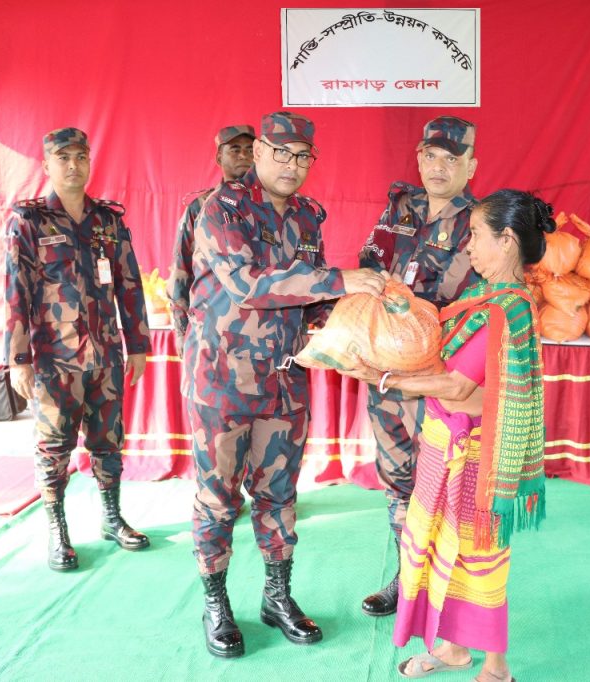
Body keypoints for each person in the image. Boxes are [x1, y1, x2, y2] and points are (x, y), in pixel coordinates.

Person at [185, 110, 386, 658]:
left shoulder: (306, 216)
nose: (292, 165)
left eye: (303, 156)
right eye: (281, 153)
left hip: (284, 378)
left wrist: (355, 314)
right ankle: (216, 605)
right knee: (218, 497)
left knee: (279, 495)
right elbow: (249, 286)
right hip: (222, 381)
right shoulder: (221, 209)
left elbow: (308, 300)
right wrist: (340, 279)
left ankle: (277, 597)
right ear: (257, 153)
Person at [342, 189, 551, 682]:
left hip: (474, 455)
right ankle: (453, 648)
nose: (469, 245)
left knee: (479, 557)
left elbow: (458, 385)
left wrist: (383, 378)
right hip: (443, 443)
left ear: (506, 240)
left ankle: (497, 667)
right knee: (440, 546)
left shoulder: (507, 308)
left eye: (476, 235)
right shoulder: (484, 296)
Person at [3, 127, 152, 572]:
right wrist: (18, 359)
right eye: (63, 158)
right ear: (47, 165)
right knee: (54, 448)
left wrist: (138, 345)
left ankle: (112, 518)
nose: (73, 166)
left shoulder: (107, 220)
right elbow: (16, 294)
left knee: (109, 442)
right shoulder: (29, 222)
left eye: (81, 157)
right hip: (55, 360)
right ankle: (58, 530)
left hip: (105, 355)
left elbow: (129, 283)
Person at [357, 115, 480, 617]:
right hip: (388, 367)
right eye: (430, 156)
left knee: (444, 477)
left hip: (441, 373)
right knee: (397, 474)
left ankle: (447, 584)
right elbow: (370, 261)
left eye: (451, 158)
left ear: (471, 166)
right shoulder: (400, 207)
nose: (438, 167)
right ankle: (407, 576)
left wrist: (406, 301)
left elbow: (468, 296)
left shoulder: (480, 222)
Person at [167, 124, 256, 356]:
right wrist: (180, 330)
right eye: (234, 149)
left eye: (250, 149)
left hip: (259, 333)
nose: (243, 155)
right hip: (212, 334)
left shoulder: (269, 207)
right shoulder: (200, 208)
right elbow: (181, 270)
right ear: (219, 157)